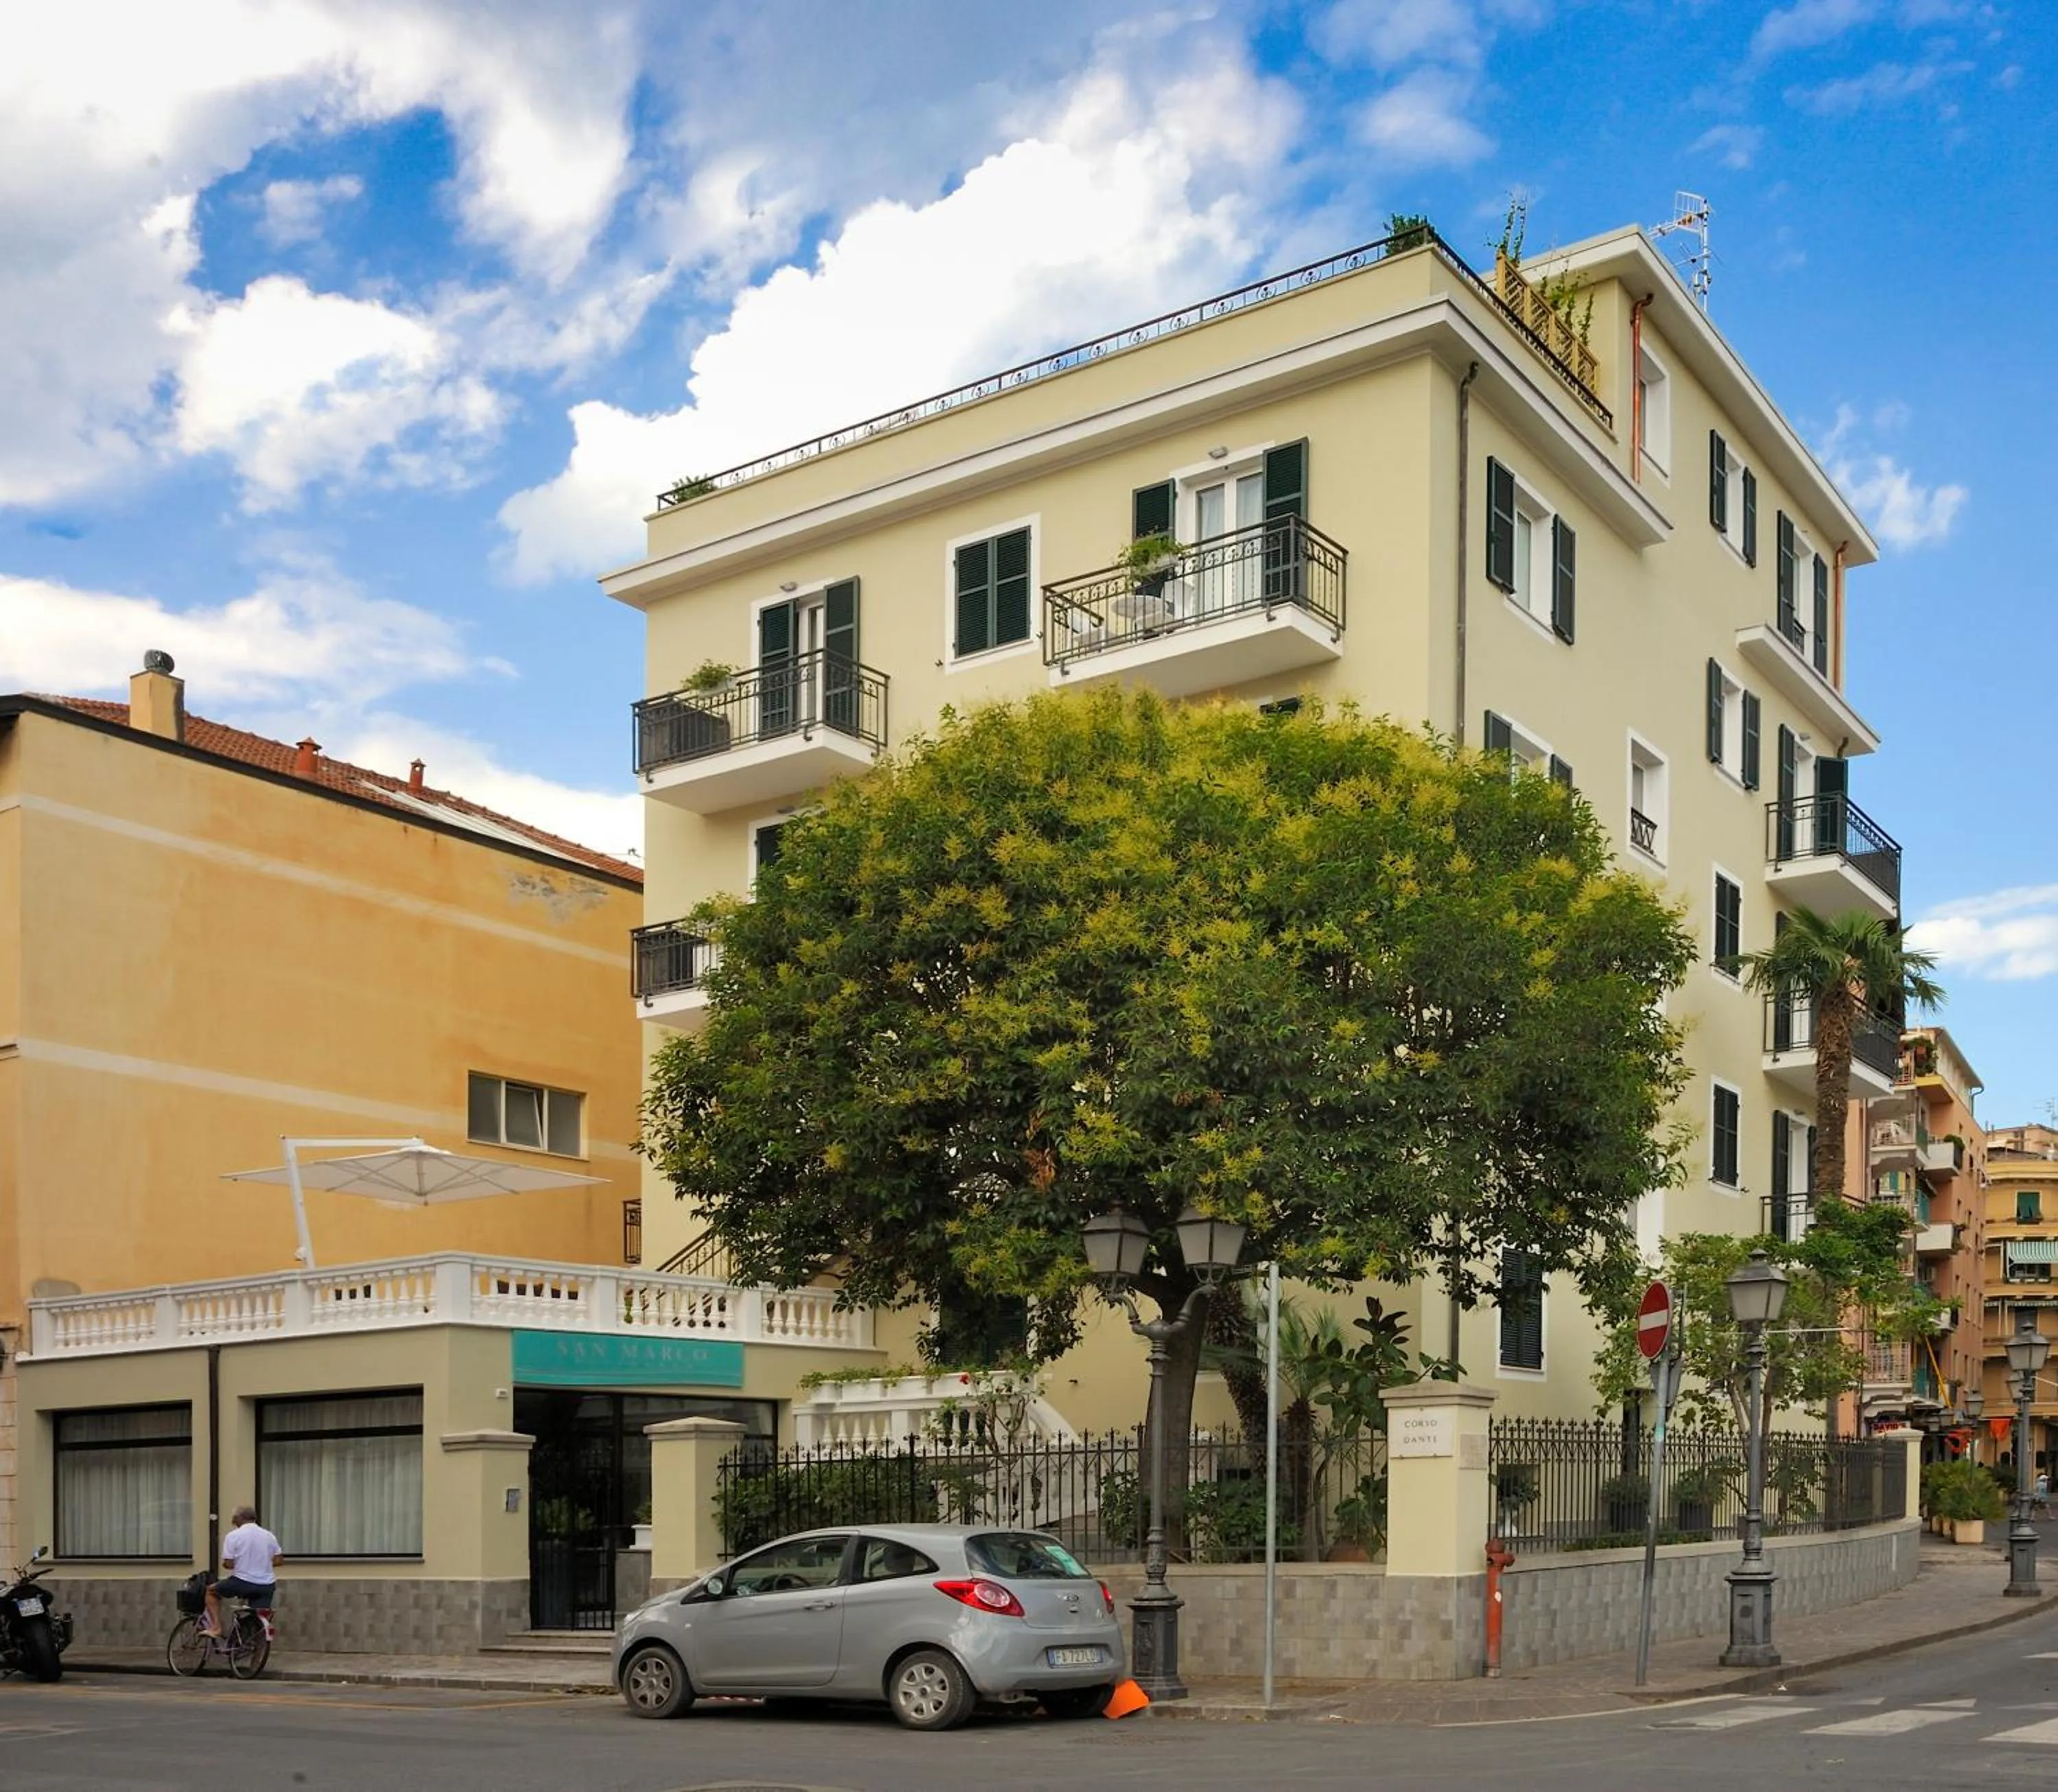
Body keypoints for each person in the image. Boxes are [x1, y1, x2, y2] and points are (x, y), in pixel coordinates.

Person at [204, 1505, 282, 1637]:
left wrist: (236, 1564)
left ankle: (216, 1627)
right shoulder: (269, 1536)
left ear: (239, 1518)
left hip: (243, 1582)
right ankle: (255, 1644)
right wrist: (261, 1564)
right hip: (267, 1585)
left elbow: (228, 1564)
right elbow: (279, 1560)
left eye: (234, 1518)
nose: (233, 1521)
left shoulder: (233, 1536)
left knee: (211, 1591)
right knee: (258, 1615)